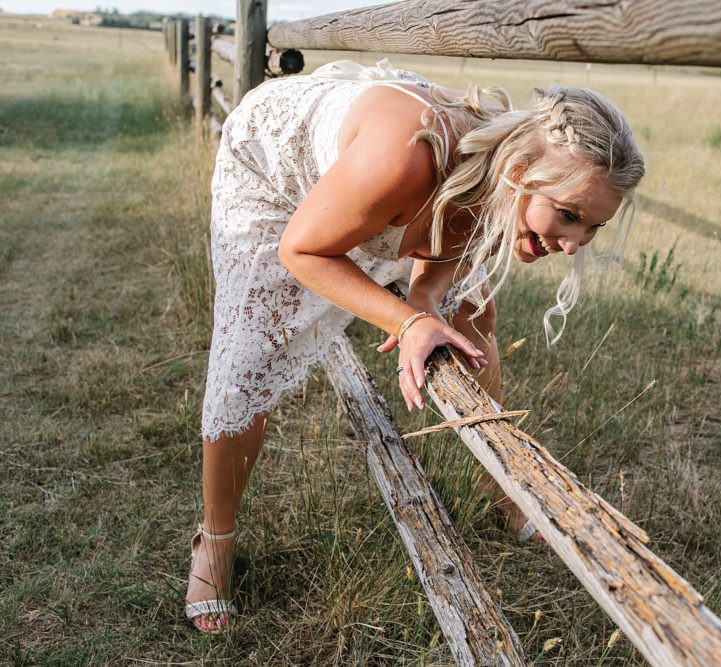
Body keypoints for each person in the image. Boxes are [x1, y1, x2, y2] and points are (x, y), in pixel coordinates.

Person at [184, 59, 645, 633]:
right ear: (522, 172)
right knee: (247, 364)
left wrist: (425, 298)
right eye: (570, 216)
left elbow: (451, 236)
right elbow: (301, 252)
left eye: (592, 227)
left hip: (393, 179)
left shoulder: (503, 174)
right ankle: (215, 543)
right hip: (274, 174)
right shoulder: (404, 158)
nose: (574, 244)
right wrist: (406, 324)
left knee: (471, 316)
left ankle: (504, 491)